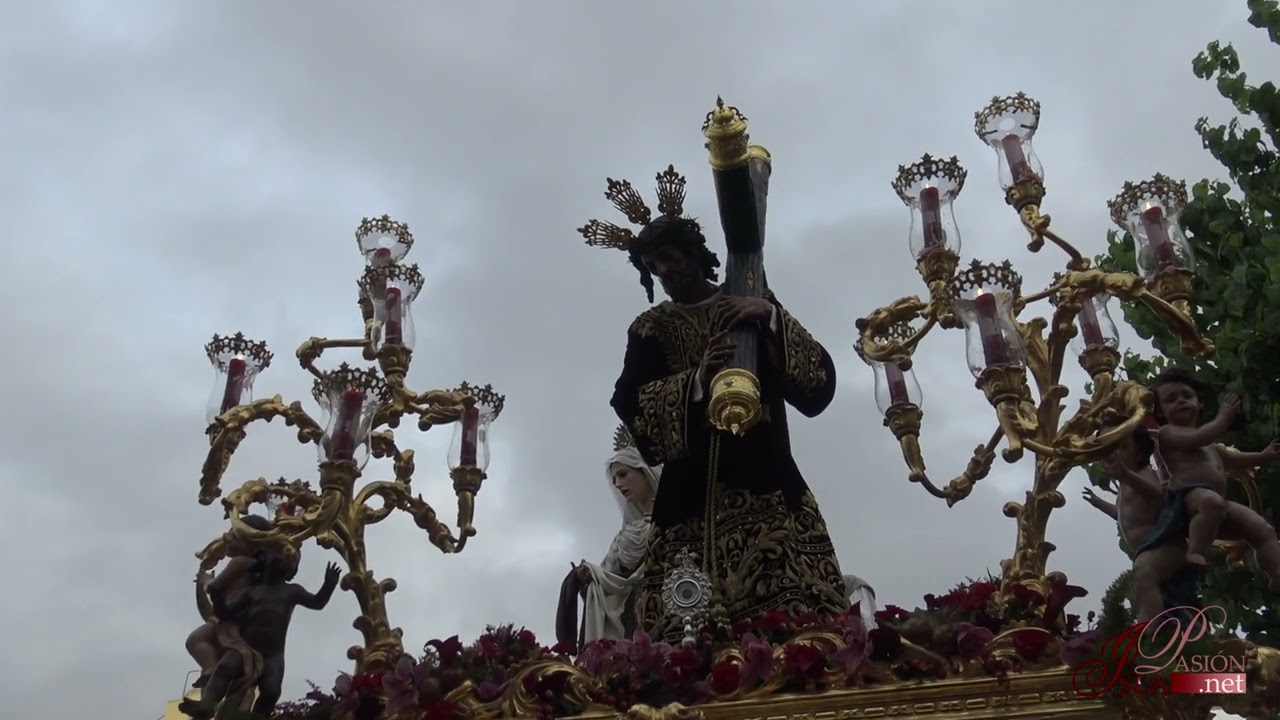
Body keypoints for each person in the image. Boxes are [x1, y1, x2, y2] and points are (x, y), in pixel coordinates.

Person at [578, 167, 848, 642]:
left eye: (668, 258)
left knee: (795, 629)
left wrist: (770, 318)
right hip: (686, 503)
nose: (663, 272)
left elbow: (817, 383)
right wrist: (697, 380)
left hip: (765, 483)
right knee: (685, 640)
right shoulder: (651, 329)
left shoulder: (750, 299)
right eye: (653, 266)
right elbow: (631, 401)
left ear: (694, 254)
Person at [1150, 369, 1280, 588]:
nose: (1181, 401)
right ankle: (1196, 551)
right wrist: (1223, 417)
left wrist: (1264, 456)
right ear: (1161, 411)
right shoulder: (1168, 433)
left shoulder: (1211, 447)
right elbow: (1200, 437)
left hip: (1218, 505)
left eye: (1186, 396)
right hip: (1189, 497)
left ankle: (1276, 572)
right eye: (1171, 399)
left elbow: (1234, 460)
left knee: (1262, 529)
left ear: (1199, 402)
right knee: (1211, 502)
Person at [185, 554, 341, 719]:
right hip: (245, 647)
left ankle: (258, 717)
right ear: (264, 565)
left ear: (290, 570)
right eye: (275, 556)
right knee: (224, 669)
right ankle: (207, 705)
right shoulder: (253, 592)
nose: (280, 559)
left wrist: (329, 584)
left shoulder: (292, 590)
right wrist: (217, 597)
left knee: (272, 690)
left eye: (285, 559)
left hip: (273, 654)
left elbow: (317, 602)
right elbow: (225, 613)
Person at [555, 424, 662, 651]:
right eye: (614, 480)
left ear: (645, 471)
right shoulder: (623, 538)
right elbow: (609, 578)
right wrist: (587, 576)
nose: (618, 484)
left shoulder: (670, 521)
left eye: (623, 474)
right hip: (629, 623)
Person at [1081, 419, 1196, 621]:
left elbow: (1156, 494)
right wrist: (1100, 504)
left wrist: (1126, 475)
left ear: (1140, 450)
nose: (1113, 453)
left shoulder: (1143, 474)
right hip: (1147, 550)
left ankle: (1149, 628)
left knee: (1144, 573)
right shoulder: (1126, 486)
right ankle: (1161, 626)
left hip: (1166, 546)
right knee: (1143, 590)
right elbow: (1123, 515)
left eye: (1122, 446)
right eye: (1107, 447)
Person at [185, 513, 281, 691]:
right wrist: (199, 586)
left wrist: (205, 579)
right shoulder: (247, 567)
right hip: (225, 620)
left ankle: (210, 668)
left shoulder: (240, 562)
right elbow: (209, 612)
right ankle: (211, 672)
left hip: (230, 622)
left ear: (251, 543)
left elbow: (212, 587)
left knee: (194, 640)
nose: (228, 539)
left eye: (235, 536)